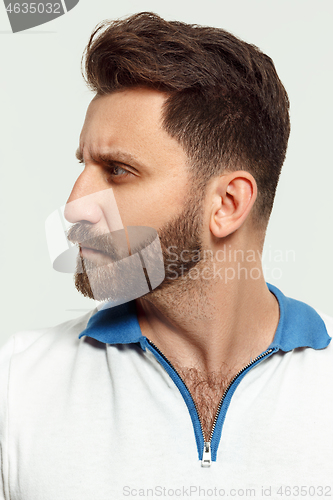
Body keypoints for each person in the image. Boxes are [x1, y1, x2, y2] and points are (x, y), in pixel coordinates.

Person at [1, 11, 332, 500]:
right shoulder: (15, 385)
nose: (75, 205)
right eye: (84, 165)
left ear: (227, 204)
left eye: (117, 170)